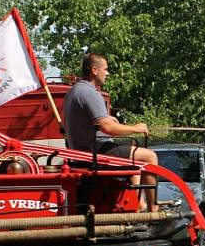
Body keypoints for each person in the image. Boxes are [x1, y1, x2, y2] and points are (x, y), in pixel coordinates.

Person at [63, 52, 159, 212]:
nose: (107, 73)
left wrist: (106, 117)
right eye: (105, 69)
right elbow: (107, 128)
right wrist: (137, 128)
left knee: (133, 157)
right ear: (95, 70)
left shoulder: (74, 92)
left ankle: (138, 205)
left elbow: (89, 120)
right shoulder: (90, 93)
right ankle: (153, 210)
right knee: (149, 156)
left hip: (81, 153)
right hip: (97, 152)